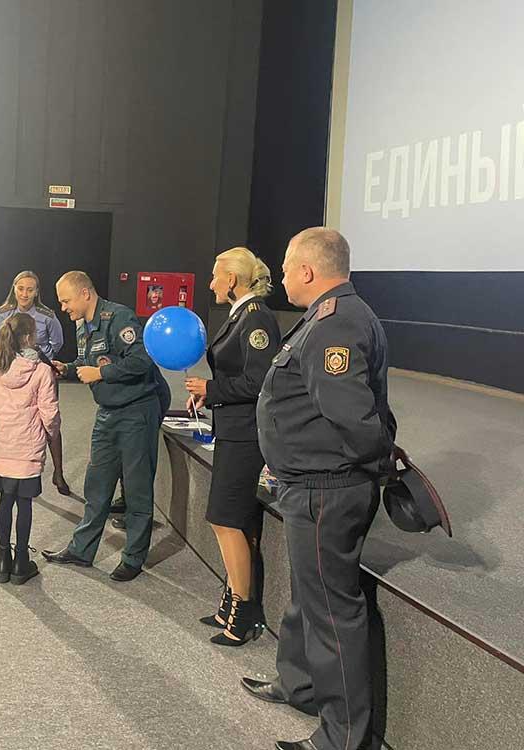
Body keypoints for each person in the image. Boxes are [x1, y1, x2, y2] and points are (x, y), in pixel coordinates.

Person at [241, 228, 396, 750]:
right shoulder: (329, 316)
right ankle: (300, 684)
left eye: (286, 267)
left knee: (332, 612)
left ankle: (342, 738)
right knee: (307, 597)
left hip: (327, 488)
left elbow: (353, 417)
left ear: (308, 270)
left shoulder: (335, 323)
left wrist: (368, 465)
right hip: (311, 484)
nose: (282, 275)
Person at [42, 271, 168, 582]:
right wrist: (67, 368)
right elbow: (90, 362)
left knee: (137, 489)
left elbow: (142, 360)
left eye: (66, 301)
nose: (63, 308)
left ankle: (133, 558)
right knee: (96, 485)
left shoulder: (119, 317)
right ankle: (82, 550)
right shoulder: (83, 325)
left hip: (136, 412)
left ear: (85, 293)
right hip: (108, 413)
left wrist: (101, 375)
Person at [184, 247, 280, 646]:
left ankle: (242, 611)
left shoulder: (256, 317)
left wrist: (212, 389)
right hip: (233, 429)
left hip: (247, 435)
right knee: (231, 520)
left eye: (214, 276)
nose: (210, 284)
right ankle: (233, 600)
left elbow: (261, 382)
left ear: (232, 279)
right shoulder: (241, 314)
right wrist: (211, 395)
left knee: (225, 519)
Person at [0, 312, 60, 585]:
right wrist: (51, 433)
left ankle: (2, 560)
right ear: (30, 338)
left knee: (5, 501)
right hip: (28, 448)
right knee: (24, 503)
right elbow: (49, 413)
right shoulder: (42, 371)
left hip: (2, 445)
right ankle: (21, 561)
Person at [0, 270, 69, 495]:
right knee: (12, 423)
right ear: (14, 289)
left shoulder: (47, 315)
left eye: (30, 290)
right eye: (21, 288)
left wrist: (42, 362)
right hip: (9, 376)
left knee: (49, 420)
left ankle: (58, 473)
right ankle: (6, 470)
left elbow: (57, 342)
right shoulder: (3, 313)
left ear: (36, 292)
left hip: (38, 375)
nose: (25, 294)